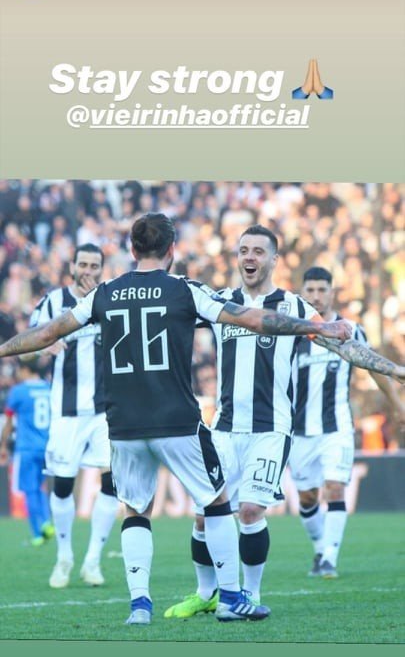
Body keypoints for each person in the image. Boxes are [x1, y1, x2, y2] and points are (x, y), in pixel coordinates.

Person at [0, 213, 351, 626]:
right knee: (217, 503)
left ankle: (140, 606)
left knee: (135, 510)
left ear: (132, 249)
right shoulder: (185, 289)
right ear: (171, 250)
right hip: (177, 420)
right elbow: (255, 319)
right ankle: (230, 598)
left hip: (124, 424)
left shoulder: (104, 294)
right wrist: (318, 325)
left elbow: (47, 333)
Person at [165, 229, 405, 619]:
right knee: (204, 515)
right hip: (224, 427)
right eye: (244, 250)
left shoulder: (293, 305)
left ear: (274, 260)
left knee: (250, 512)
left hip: (270, 429)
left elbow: (342, 345)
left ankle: (250, 593)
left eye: (258, 251)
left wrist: (393, 368)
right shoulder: (221, 302)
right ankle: (206, 592)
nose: (250, 257)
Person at [289, 266, 405, 578]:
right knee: (307, 498)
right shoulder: (293, 333)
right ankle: (320, 548)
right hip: (299, 430)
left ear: (332, 292)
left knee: (335, 489)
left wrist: (398, 406)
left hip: (337, 427)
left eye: (321, 290)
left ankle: (329, 558)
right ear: (303, 293)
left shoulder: (350, 329)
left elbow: (374, 369)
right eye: (310, 290)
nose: (316, 296)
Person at [29, 244, 117, 589]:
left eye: (95, 266)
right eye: (83, 264)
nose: (88, 271)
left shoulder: (110, 300)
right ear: (72, 266)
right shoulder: (53, 302)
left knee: (112, 483)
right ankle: (64, 556)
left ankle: (93, 560)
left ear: (102, 269)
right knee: (63, 485)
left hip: (105, 411)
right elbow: (26, 350)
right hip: (66, 413)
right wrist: (42, 346)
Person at [0, 358, 54, 546]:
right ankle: (47, 522)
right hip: (47, 447)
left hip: (27, 448)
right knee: (40, 487)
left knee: (29, 490)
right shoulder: (49, 388)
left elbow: (9, 422)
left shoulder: (18, 391)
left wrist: (3, 445)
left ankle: (38, 533)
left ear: (25, 370)